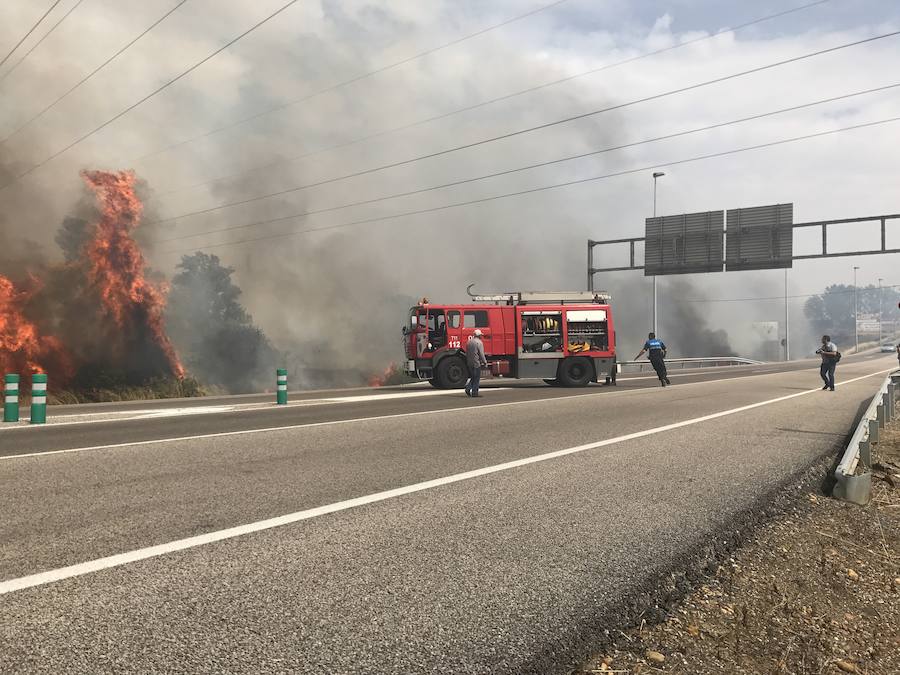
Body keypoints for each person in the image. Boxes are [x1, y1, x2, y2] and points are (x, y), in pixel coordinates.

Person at [465, 329, 488, 397]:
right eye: (481, 335)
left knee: (473, 377)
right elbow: (481, 354)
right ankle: (474, 393)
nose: (481, 336)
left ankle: (468, 388)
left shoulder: (469, 342)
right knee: (476, 378)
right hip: (476, 363)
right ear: (479, 335)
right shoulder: (479, 342)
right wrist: (485, 362)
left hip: (469, 362)